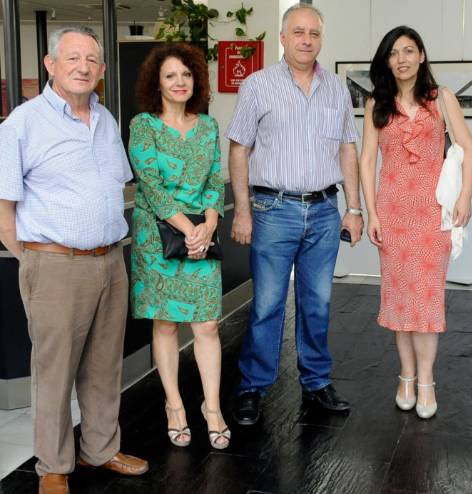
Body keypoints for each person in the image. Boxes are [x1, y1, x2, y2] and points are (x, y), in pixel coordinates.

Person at [0, 26, 148, 494]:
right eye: (72, 58)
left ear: (102, 70)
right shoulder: (23, 123)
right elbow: (4, 209)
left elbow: (117, 184)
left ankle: (100, 449)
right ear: (50, 65)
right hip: (55, 266)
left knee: (104, 366)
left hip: (110, 261)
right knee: (55, 371)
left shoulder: (104, 119)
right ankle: (53, 465)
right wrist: (34, 261)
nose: (83, 67)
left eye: (91, 60)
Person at [227, 3, 363, 425]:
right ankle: (253, 387)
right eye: (298, 32)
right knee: (268, 305)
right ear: (283, 37)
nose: (306, 40)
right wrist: (242, 210)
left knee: (318, 303)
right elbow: (239, 149)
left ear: (321, 39)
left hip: (324, 210)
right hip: (273, 209)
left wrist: (354, 207)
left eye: (314, 33)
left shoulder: (337, 88)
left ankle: (316, 382)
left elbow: (348, 149)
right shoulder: (258, 85)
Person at [358, 26, 472, 419]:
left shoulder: (441, 98)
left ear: (422, 55)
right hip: (392, 214)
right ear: (387, 61)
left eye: (409, 51)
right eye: (394, 53)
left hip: (432, 214)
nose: (402, 59)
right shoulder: (376, 102)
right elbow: (367, 161)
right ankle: (405, 376)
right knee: (399, 297)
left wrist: (465, 197)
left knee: (426, 299)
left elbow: (468, 148)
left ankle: (426, 380)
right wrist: (371, 212)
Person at [128, 43, 229, 449]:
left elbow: (214, 180)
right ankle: (174, 405)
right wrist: (190, 229)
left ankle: (212, 408)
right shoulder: (143, 126)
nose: (180, 81)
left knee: (207, 325)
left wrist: (209, 223)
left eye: (186, 74)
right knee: (166, 323)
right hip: (158, 239)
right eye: (170, 75)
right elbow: (150, 186)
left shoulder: (208, 126)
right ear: (157, 82)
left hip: (201, 234)